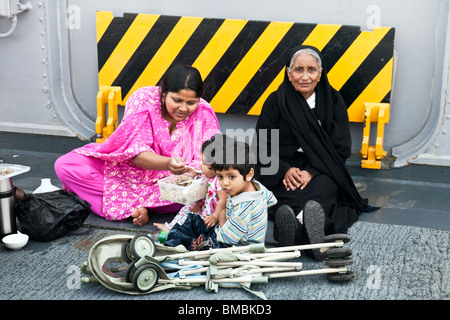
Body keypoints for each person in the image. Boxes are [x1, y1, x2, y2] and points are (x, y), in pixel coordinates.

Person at [54, 65, 220, 225]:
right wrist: (169, 163)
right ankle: (136, 206)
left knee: (193, 192)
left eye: (191, 103)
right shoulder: (143, 100)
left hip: (170, 185)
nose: (183, 108)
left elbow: (210, 161)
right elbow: (135, 153)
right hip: (127, 170)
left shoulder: (204, 112)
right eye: (176, 100)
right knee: (65, 165)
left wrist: (183, 173)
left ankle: (128, 205)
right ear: (164, 93)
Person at [254, 45, 376, 260]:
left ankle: (296, 231)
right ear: (288, 73)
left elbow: (341, 148)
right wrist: (285, 170)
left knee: (323, 190)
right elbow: (263, 146)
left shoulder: (333, 101)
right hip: (283, 166)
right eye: (298, 69)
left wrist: (311, 172)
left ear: (320, 74)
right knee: (285, 190)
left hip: (322, 167)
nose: (305, 76)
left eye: (311, 70)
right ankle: (310, 237)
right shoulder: (275, 101)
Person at [164, 138, 277, 250]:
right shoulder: (257, 186)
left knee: (201, 243)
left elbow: (226, 239)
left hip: (235, 248)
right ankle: (173, 244)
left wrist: (222, 214)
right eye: (220, 177)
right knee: (192, 219)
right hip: (226, 230)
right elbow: (271, 199)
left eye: (231, 177)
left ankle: (181, 247)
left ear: (249, 174)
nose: (224, 183)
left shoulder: (244, 209)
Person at [153, 134, 227, 232]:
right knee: (186, 210)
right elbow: (206, 193)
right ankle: (171, 227)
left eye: (205, 164)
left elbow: (222, 201)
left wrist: (215, 217)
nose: (200, 165)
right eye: (201, 161)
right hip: (203, 208)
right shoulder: (210, 176)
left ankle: (178, 232)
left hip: (211, 215)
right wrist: (198, 203)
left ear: (218, 168)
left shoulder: (220, 182)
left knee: (194, 224)